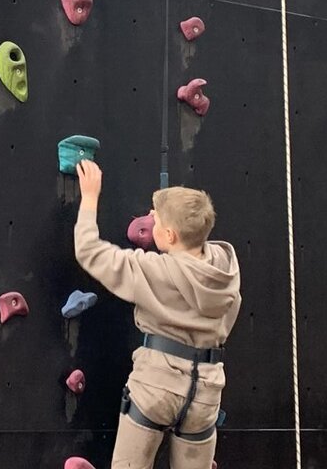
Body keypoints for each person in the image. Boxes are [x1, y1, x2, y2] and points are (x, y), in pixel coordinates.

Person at [72, 159, 241, 469]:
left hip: (156, 386)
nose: (150, 217)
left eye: (157, 219)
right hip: (205, 390)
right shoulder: (225, 267)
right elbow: (228, 319)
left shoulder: (154, 270)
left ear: (171, 236)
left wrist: (90, 197)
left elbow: (89, 251)